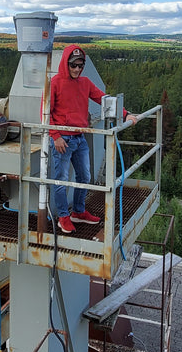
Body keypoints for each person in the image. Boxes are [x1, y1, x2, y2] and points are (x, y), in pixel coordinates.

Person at [49, 44, 137, 234]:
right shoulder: (54, 83)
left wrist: (126, 114)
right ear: (66, 63)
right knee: (61, 180)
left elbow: (104, 100)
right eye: (73, 65)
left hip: (79, 138)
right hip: (62, 140)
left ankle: (78, 212)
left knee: (84, 176)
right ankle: (63, 216)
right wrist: (55, 136)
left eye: (80, 65)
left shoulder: (85, 83)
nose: (77, 69)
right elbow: (45, 112)